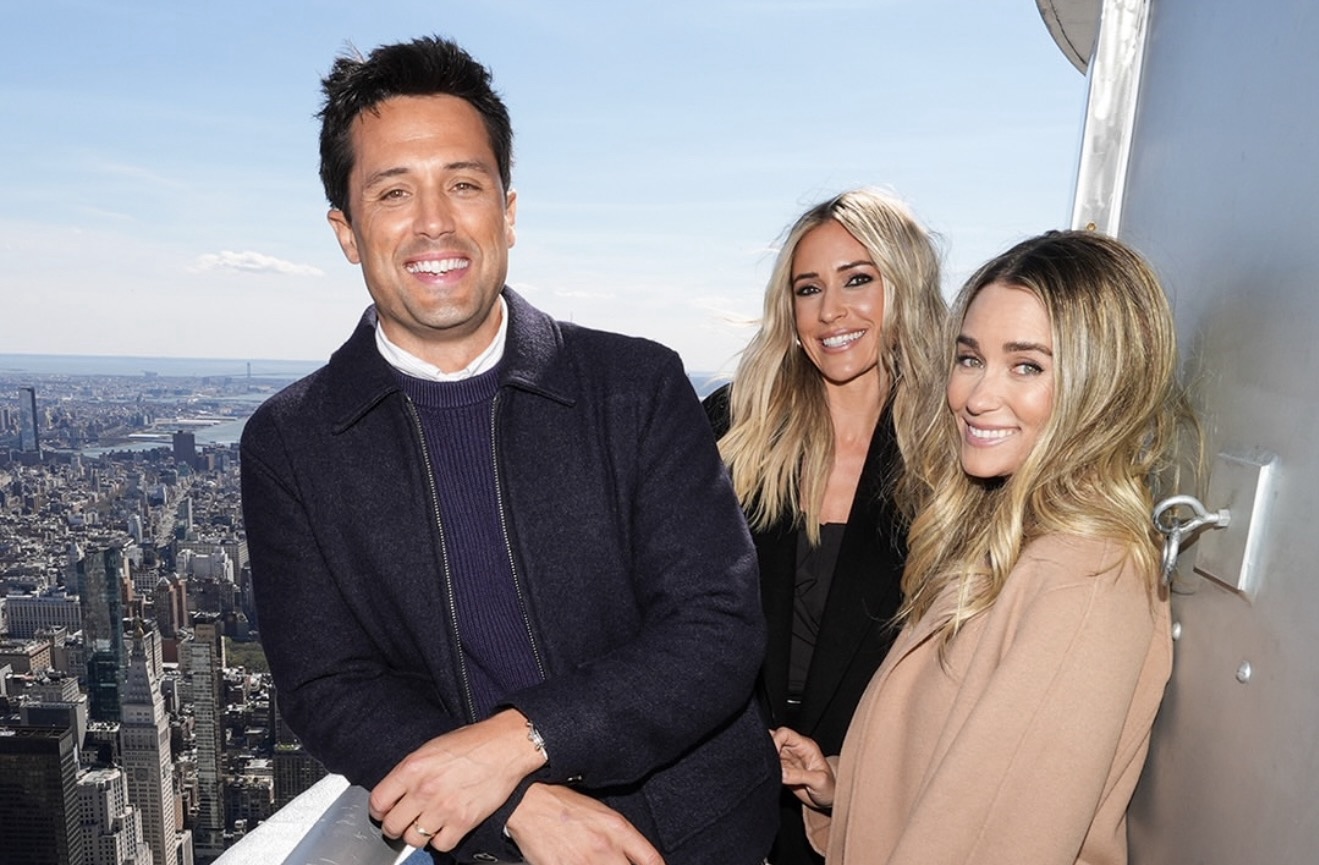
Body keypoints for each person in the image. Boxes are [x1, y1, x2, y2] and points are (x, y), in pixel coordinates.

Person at [240, 35, 778, 865]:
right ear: (346, 231)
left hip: (702, 837)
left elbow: (716, 625)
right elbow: (329, 683)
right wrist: (516, 804)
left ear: (509, 211)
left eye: (463, 184)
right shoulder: (291, 442)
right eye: (393, 192)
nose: (434, 221)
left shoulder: (635, 385)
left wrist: (520, 742)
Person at [775, 230, 1190, 864]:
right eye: (970, 359)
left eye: (1027, 366)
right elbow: (968, 775)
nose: (975, 397)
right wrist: (844, 782)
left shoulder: (1083, 579)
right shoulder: (1010, 537)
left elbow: (997, 838)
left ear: (1103, 386)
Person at [703, 188, 946, 865]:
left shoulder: (953, 455)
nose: (830, 310)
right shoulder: (733, 427)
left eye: (857, 280)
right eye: (808, 288)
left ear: (905, 286)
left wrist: (850, 773)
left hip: (868, 803)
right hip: (727, 785)